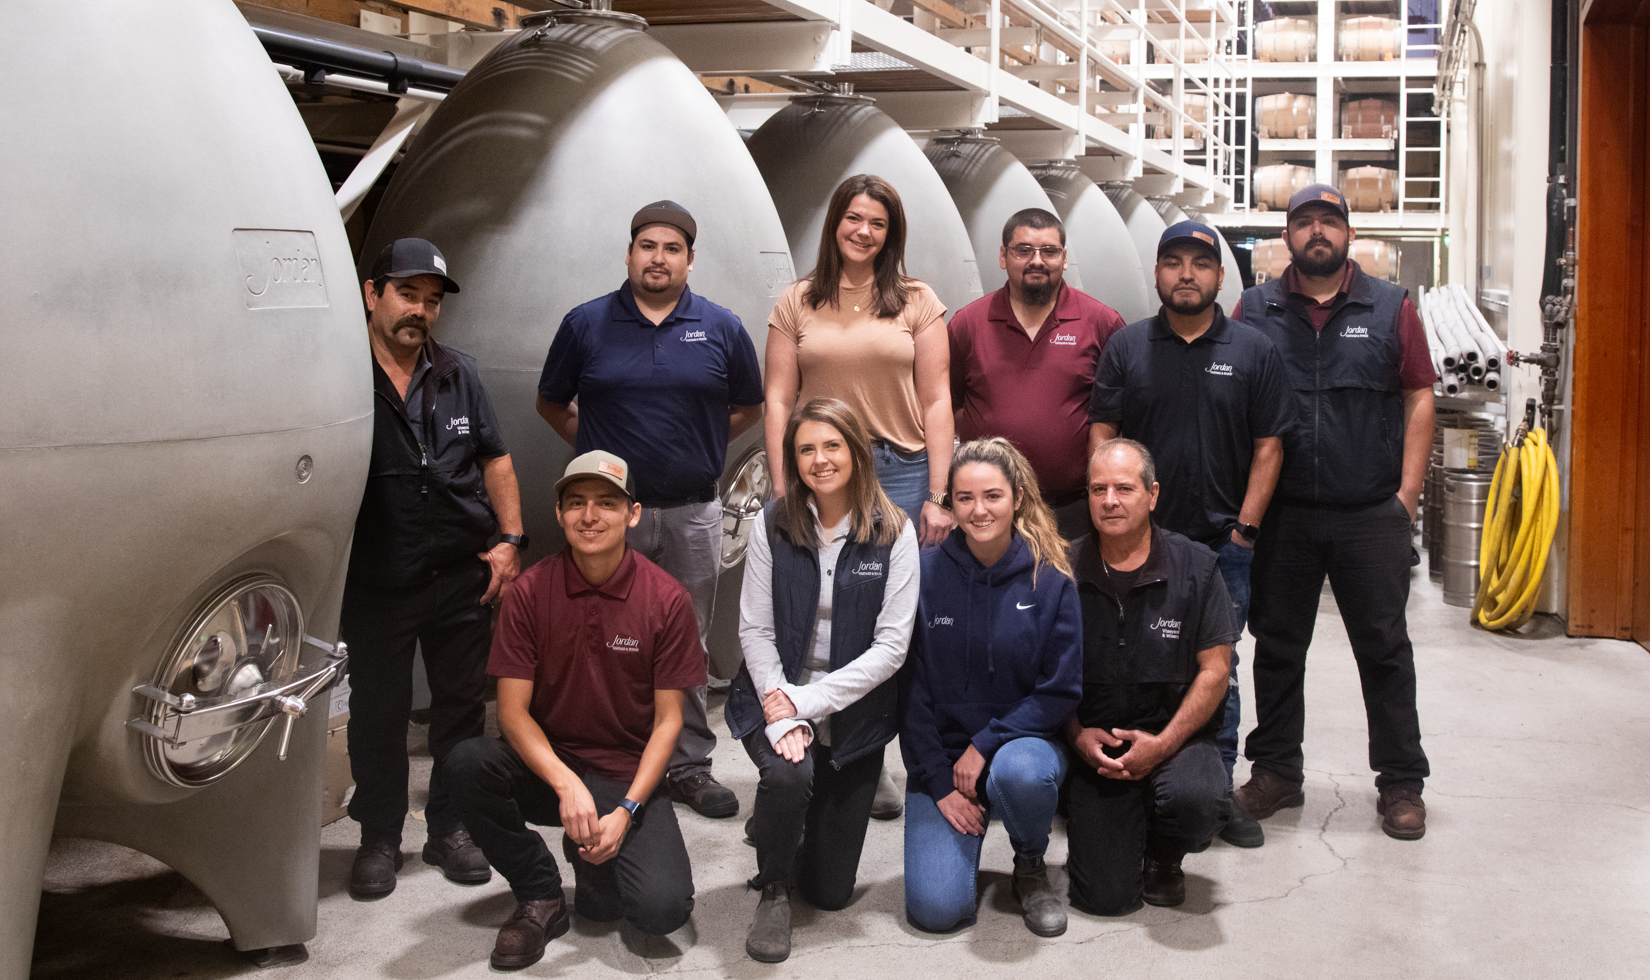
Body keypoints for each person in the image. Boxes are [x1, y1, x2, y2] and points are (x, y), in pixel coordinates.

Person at [537, 200, 763, 820]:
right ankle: (610, 758)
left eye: (671, 248)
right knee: (602, 638)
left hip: (692, 512)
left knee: (684, 638)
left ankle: (688, 765)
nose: (657, 258)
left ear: (690, 259)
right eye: (647, 246)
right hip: (610, 518)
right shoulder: (586, 324)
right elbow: (552, 403)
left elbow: (749, 406)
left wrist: (703, 445)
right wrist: (599, 461)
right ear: (629, 253)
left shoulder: (721, 327)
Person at [1230, 184, 1436, 841]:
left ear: (1348, 233)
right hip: (1284, 515)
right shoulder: (1254, 309)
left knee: (1384, 649)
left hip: (1368, 511)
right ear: (1285, 236)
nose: (1317, 232)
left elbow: (1419, 396)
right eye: (1303, 222)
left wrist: (1405, 497)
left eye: (1329, 222)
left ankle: (1401, 783)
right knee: (1279, 646)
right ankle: (1276, 772)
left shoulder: (1391, 306)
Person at [447, 451, 701, 970]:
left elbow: (670, 721)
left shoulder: (666, 599)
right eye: (577, 503)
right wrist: (565, 784)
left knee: (659, 911)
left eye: (607, 503)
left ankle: (593, 859)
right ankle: (539, 892)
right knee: (467, 764)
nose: (590, 516)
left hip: (624, 774)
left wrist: (627, 810)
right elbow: (512, 714)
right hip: (550, 767)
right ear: (559, 513)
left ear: (632, 514)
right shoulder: (530, 593)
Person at [1087, 220, 1291, 849]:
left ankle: (1217, 789)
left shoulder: (1254, 350)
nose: (1186, 274)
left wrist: (1245, 531)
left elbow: (1269, 446)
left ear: (1219, 277)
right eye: (1173, 262)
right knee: (1126, 662)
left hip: (1218, 548)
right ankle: (1124, 775)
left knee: (1218, 671)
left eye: (1199, 264)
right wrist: (1114, 511)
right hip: (1137, 546)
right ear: (1157, 273)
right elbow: (1103, 435)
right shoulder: (1127, 347)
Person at [763, 173, 952, 819]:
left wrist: (938, 491)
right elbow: (779, 399)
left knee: (887, 625)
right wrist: (782, 484)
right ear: (835, 223)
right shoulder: (796, 302)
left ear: (890, 233)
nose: (864, 231)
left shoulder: (917, 301)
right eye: (854, 218)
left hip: (897, 471)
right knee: (817, 613)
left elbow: (936, 400)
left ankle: (871, 758)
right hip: (819, 470)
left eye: (877, 222)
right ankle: (811, 743)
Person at [341, 238, 525, 899]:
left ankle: (451, 827)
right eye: (407, 294)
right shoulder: (339, 373)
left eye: (431, 299)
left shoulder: (459, 374)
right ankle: (380, 836)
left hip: (458, 574)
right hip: (378, 579)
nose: (420, 309)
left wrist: (509, 540)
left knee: (457, 710)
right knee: (379, 714)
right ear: (372, 293)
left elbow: (495, 459)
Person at [726, 398, 919, 963]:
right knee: (788, 778)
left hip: (853, 712)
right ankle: (774, 888)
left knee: (832, 894)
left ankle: (781, 820)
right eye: (806, 449)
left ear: (857, 452)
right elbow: (755, 629)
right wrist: (779, 702)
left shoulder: (894, 532)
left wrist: (805, 703)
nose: (820, 459)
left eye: (832, 445)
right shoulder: (773, 523)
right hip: (775, 691)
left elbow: (892, 648)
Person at [901, 438, 1082, 937]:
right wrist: (939, 784)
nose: (979, 511)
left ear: (1018, 497)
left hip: (1022, 747)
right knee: (937, 911)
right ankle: (962, 830)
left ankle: (1029, 863)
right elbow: (911, 693)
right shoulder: (923, 572)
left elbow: (1059, 690)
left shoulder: (1051, 577)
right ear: (949, 503)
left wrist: (986, 742)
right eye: (965, 498)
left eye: (993, 496)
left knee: (1020, 774)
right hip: (944, 756)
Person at [1064, 439, 1235, 914]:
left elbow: (1216, 671)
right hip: (1095, 750)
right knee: (1106, 898)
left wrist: (1164, 744)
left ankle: (1165, 854)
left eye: (1124, 487)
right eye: (1098, 489)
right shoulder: (1061, 569)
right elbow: (1041, 673)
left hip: (1174, 739)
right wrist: (1076, 735)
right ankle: (1104, 823)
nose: (1110, 500)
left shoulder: (1197, 568)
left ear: (1153, 494)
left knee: (1198, 797)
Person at [949, 208, 1126, 539]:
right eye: (1023, 250)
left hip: (1072, 509)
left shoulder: (1101, 322)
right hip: (988, 511)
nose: (1037, 261)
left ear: (1064, 258)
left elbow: (1119, 414)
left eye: (1049, 251)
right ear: (1003, 256)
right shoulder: (968, 324)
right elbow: (952, 403)